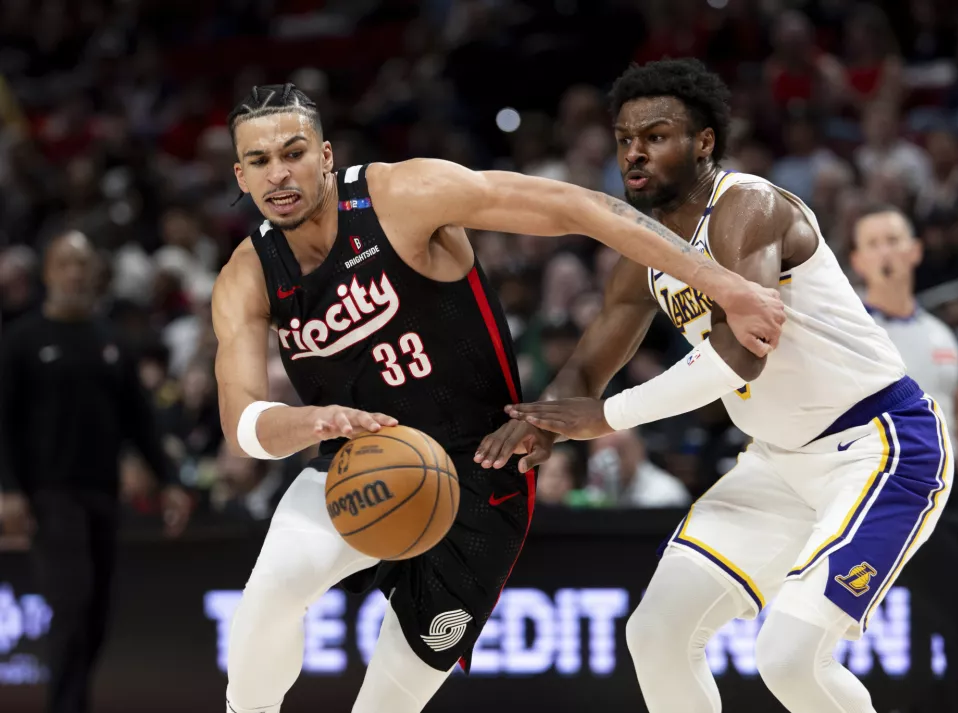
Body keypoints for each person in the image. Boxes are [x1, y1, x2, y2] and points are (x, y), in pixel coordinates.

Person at [212, 83, 784, 713]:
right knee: (269, 597)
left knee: (388, 704)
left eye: (292, 153)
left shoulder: (403, 195)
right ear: (241, 175)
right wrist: (310, 422)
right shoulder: (247, 274)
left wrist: (722, 285)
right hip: (358, 467)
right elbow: (242, 423)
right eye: (259, 161)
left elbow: (579, 208)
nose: (278, 173)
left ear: (324, 156)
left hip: (482, 472)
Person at [481, 58, 952, 713]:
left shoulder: (748, 206)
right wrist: (540, 425)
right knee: (657, 633)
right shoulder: (644, 254)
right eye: (624, 139)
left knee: (788, 657)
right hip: (775, 464)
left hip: (877, 446)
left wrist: (608, 416)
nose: (634, 152)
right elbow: (584, 370)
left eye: (655, 136)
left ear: (703, 142)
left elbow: (740, 355)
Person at [0, 230, 191, 713]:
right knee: (73, 599)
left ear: (95, 274)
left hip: (103, 492)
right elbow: (2, 422)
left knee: (99, 610)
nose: (75, 273)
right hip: (48, 493)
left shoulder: (112, 341)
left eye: (83, 264)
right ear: (48, 273)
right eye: (65, 263)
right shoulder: (21, 340)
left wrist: (170, 481)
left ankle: (74, 700)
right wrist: (9, 490)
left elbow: (140, 421)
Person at [851, 204, 958, 712]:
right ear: (857, 261)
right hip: (901, 496)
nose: (886, 251)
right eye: (874, 243)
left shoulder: (941, 334)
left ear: (915, 252)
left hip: (957, 491)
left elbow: (954, 402)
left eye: (894, 239)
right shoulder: (853, 332)